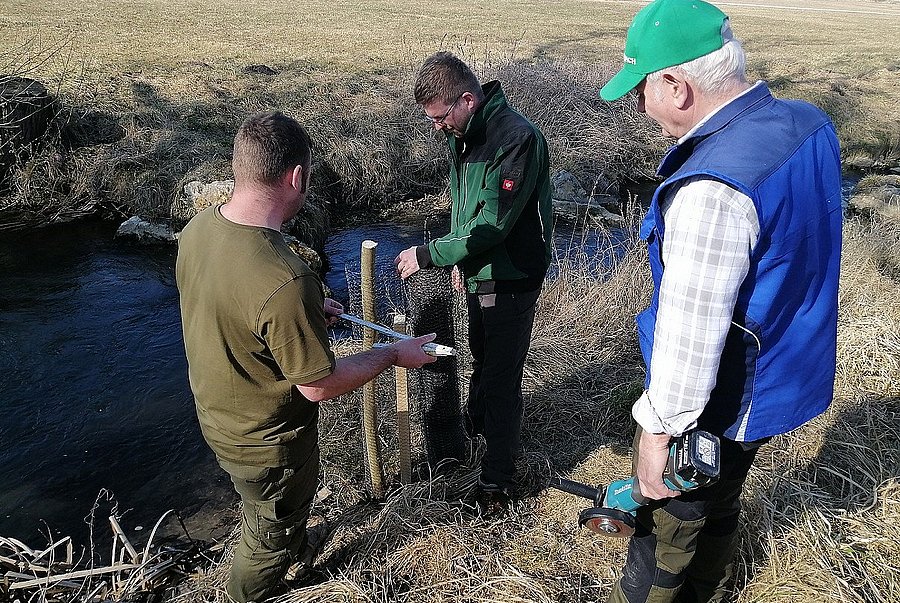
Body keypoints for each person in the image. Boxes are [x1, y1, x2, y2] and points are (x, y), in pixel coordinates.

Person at [597, 0, 843, 601]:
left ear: (677, 86)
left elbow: (691, 331)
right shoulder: (807, 122)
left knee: (669, 523)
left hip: (728, 391)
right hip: (783, 373)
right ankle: (711, 584)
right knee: (725, 486)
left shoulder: (712, 189)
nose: (640, 108)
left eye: (641, 91)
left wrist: (656, 434)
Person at [175, 111, 436, 603]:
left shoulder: (199, 230)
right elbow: (316, 385)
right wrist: (390, 355)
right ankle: (252, 589)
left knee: (270, 513)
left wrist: (309, 310)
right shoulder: (285, 278)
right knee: (266, 535)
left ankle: (292, 546)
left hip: (219, 416)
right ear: (296, 176)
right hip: (267, 441)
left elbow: (237, 310)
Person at [394, 51, 554, 517]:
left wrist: (428, 254)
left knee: (502, 378)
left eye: (441, 117)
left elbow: (490, 227)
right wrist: (454, 257)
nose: (437, 127)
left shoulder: (515, 139)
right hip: (477, 274)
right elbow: (467, 212)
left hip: (511, 276)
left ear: (467, 99)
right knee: (483, 359)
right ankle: (479, 430)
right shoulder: (465, 135)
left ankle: (497, 482)